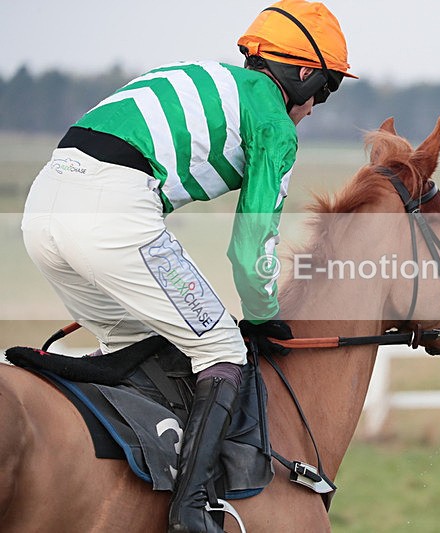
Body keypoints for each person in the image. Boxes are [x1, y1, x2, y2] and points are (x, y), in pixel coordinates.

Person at [20, 1, 355, 531]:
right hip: (113, 211)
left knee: (136, 347)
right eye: (327, 88)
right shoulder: (274, 123)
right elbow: (251, 247)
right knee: (220, 346)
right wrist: (263, 312)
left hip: (41, 210)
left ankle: (124, 489)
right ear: (304, 72)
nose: (315, 106)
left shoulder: (202, 74)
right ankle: (192, 513)